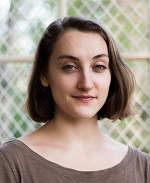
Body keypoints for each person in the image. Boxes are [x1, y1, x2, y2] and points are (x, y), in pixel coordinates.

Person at [0, 16, 150, 183]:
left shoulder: (144, 168)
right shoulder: (10, 163)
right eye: (69, 67)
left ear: (111, 75)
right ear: (45, 74)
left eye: (99, 66)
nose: (86, 84)